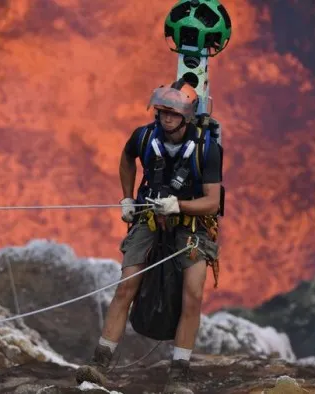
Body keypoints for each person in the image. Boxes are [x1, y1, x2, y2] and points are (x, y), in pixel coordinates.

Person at [75, 78, 223, 394]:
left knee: (192, 293)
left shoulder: (207, 150)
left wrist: (179, 205)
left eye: (172, 113)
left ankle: (179, 373)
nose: (165, 117)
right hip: (148, 217)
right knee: (127, 284)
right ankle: (99, 364)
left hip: (192, 226)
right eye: (162, 111)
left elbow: (213, 200)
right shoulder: (143, 137)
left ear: (186, 116)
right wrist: (127, 197)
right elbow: (127, 158)